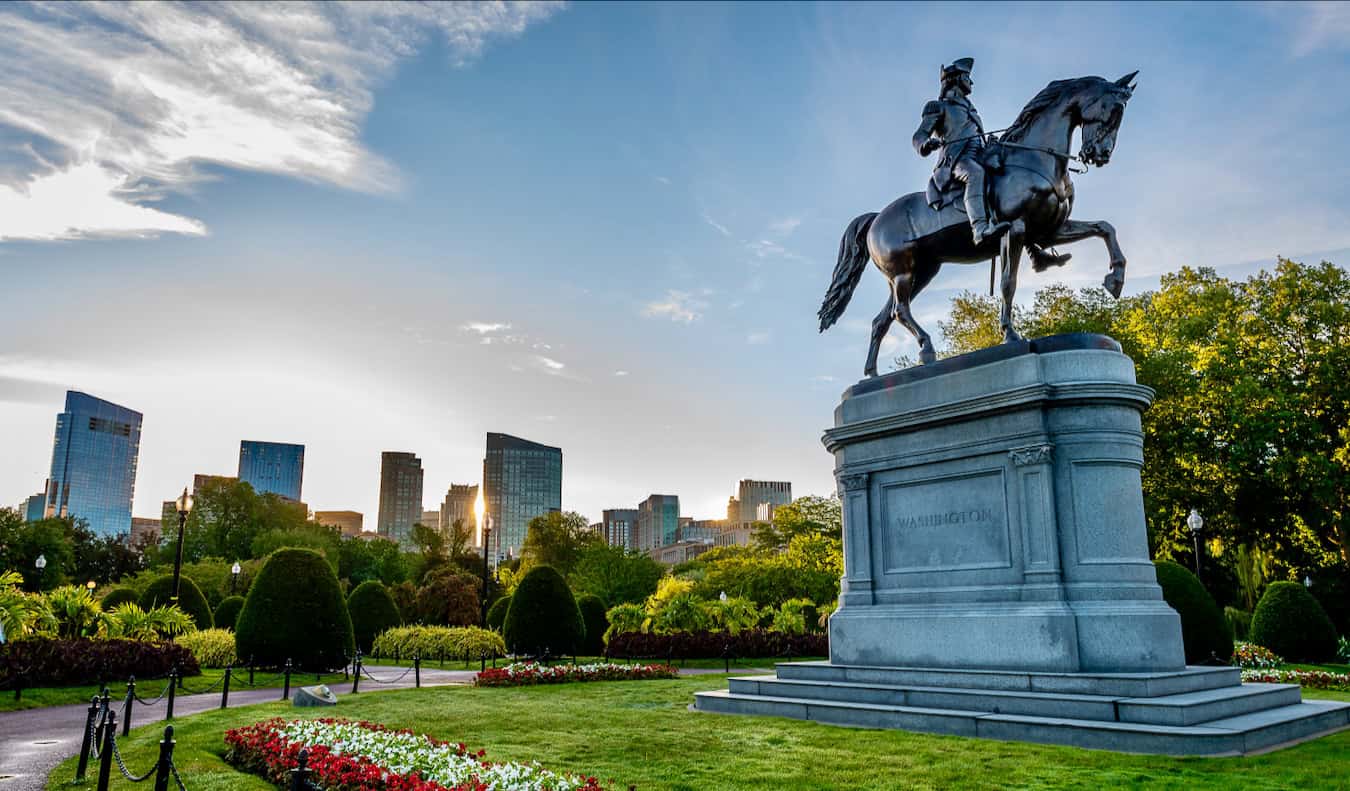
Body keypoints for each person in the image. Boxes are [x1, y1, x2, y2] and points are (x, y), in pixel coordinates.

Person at [912, 57, 1011, 246]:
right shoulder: (939, 107)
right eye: (967, 77)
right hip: (955, 162)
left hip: (978, 156)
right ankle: (979, 229)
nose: (971, 82)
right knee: (975, 173)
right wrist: (925, 144)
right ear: (956, 79)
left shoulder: (971, 110)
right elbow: (919, 135)